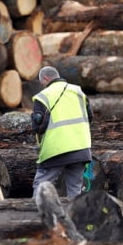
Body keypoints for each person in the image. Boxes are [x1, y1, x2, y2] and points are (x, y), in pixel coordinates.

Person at [31, 66, 93, 198]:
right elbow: (90, 117)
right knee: (75, 192)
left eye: (42, 82)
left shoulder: (43, 96)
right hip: (81, 147)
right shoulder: (78, 92)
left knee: (41, 187)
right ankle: (75, 217)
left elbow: (38, 126)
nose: (42, 85)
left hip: (55, 150)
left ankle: (36, 216)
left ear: (46, 78)